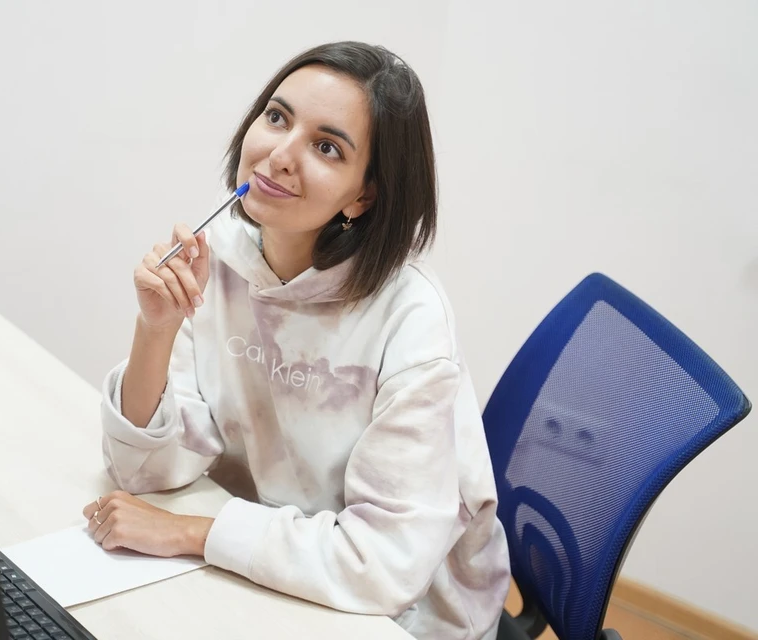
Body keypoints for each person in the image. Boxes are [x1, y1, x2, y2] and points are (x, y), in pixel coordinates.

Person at [82, 41, 510, 639]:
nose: (280, 155)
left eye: (327, 147)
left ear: (364, 194)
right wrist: (155, 329)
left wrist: (188, 534)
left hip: (396, 617)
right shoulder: (223, 252)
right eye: (277, 117)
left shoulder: (409, 319)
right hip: (260, 570)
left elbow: (384, 564)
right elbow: (146, 471)